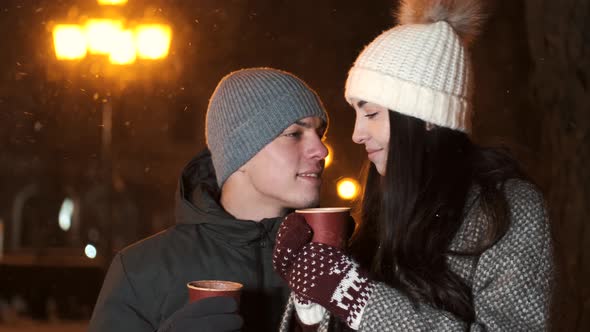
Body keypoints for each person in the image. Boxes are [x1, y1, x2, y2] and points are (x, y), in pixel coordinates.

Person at [273, 0, 554, 331]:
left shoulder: (507, 210)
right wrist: (313, 297)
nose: (357, 134)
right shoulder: (382, 206)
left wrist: (357, 297)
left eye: (372, 113)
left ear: (426, 120)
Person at [88, 67, 329, 332]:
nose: (321, 150)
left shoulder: (344, 263)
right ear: (241, 150)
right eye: (295, 134)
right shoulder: (142, 269)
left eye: (320, 134)